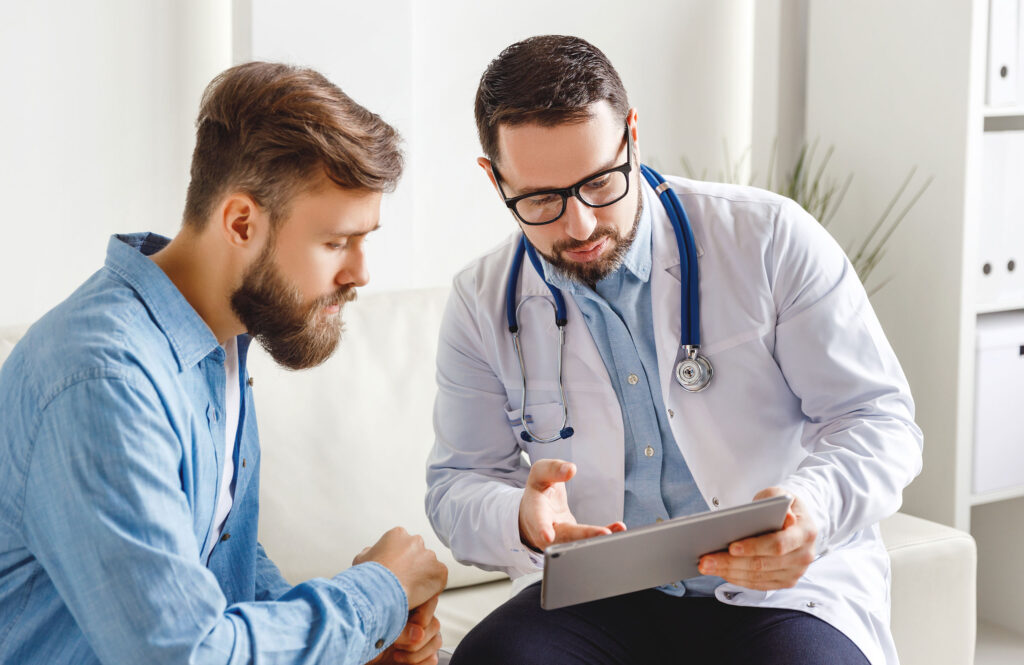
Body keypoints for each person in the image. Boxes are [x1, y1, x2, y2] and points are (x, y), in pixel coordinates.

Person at [425, 35, 922, 665]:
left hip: (778, 591)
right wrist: (521, 518)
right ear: (494, 177)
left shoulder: (768, 239)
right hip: (598, 596)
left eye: (599, 182)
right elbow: (457, 482)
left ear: (632, 136)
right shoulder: (481, 301)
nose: (578, 226)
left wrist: (813, 507)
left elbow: (878, 421)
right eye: (541, 199)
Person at [0, 62, 447, 665]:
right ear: (241, 223)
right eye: (336, 242)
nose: (360, 272)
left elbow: (218, 556)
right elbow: (183, 655)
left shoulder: (223, 333)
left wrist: (352, 646)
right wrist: (377, 595)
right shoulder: (103, 381)